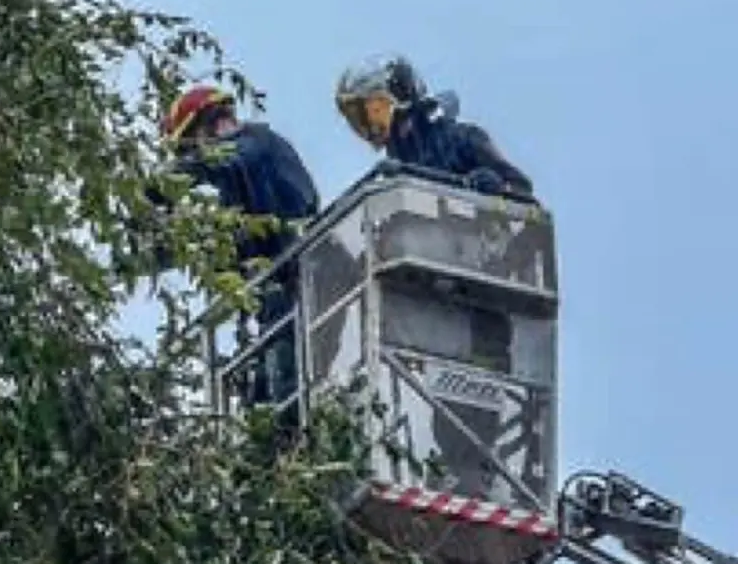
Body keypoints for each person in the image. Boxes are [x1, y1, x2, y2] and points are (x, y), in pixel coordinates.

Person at [150, 85, 320, 408]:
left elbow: (229, 159)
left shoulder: (258, 144)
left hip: (301, 283)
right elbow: (220, 245)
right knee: (261, 396)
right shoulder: (235, 191)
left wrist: (166, 182)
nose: (193, 156)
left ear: (208, 126)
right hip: (275, 303)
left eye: (191, 147)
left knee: (288, 388)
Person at [334, 55, 533, 197]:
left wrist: (497, 188)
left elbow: (522, 190)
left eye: (370, 112)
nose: (365, 126)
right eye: (356, 120)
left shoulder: (462, 139)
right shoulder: (390, 177)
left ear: (397, 99)